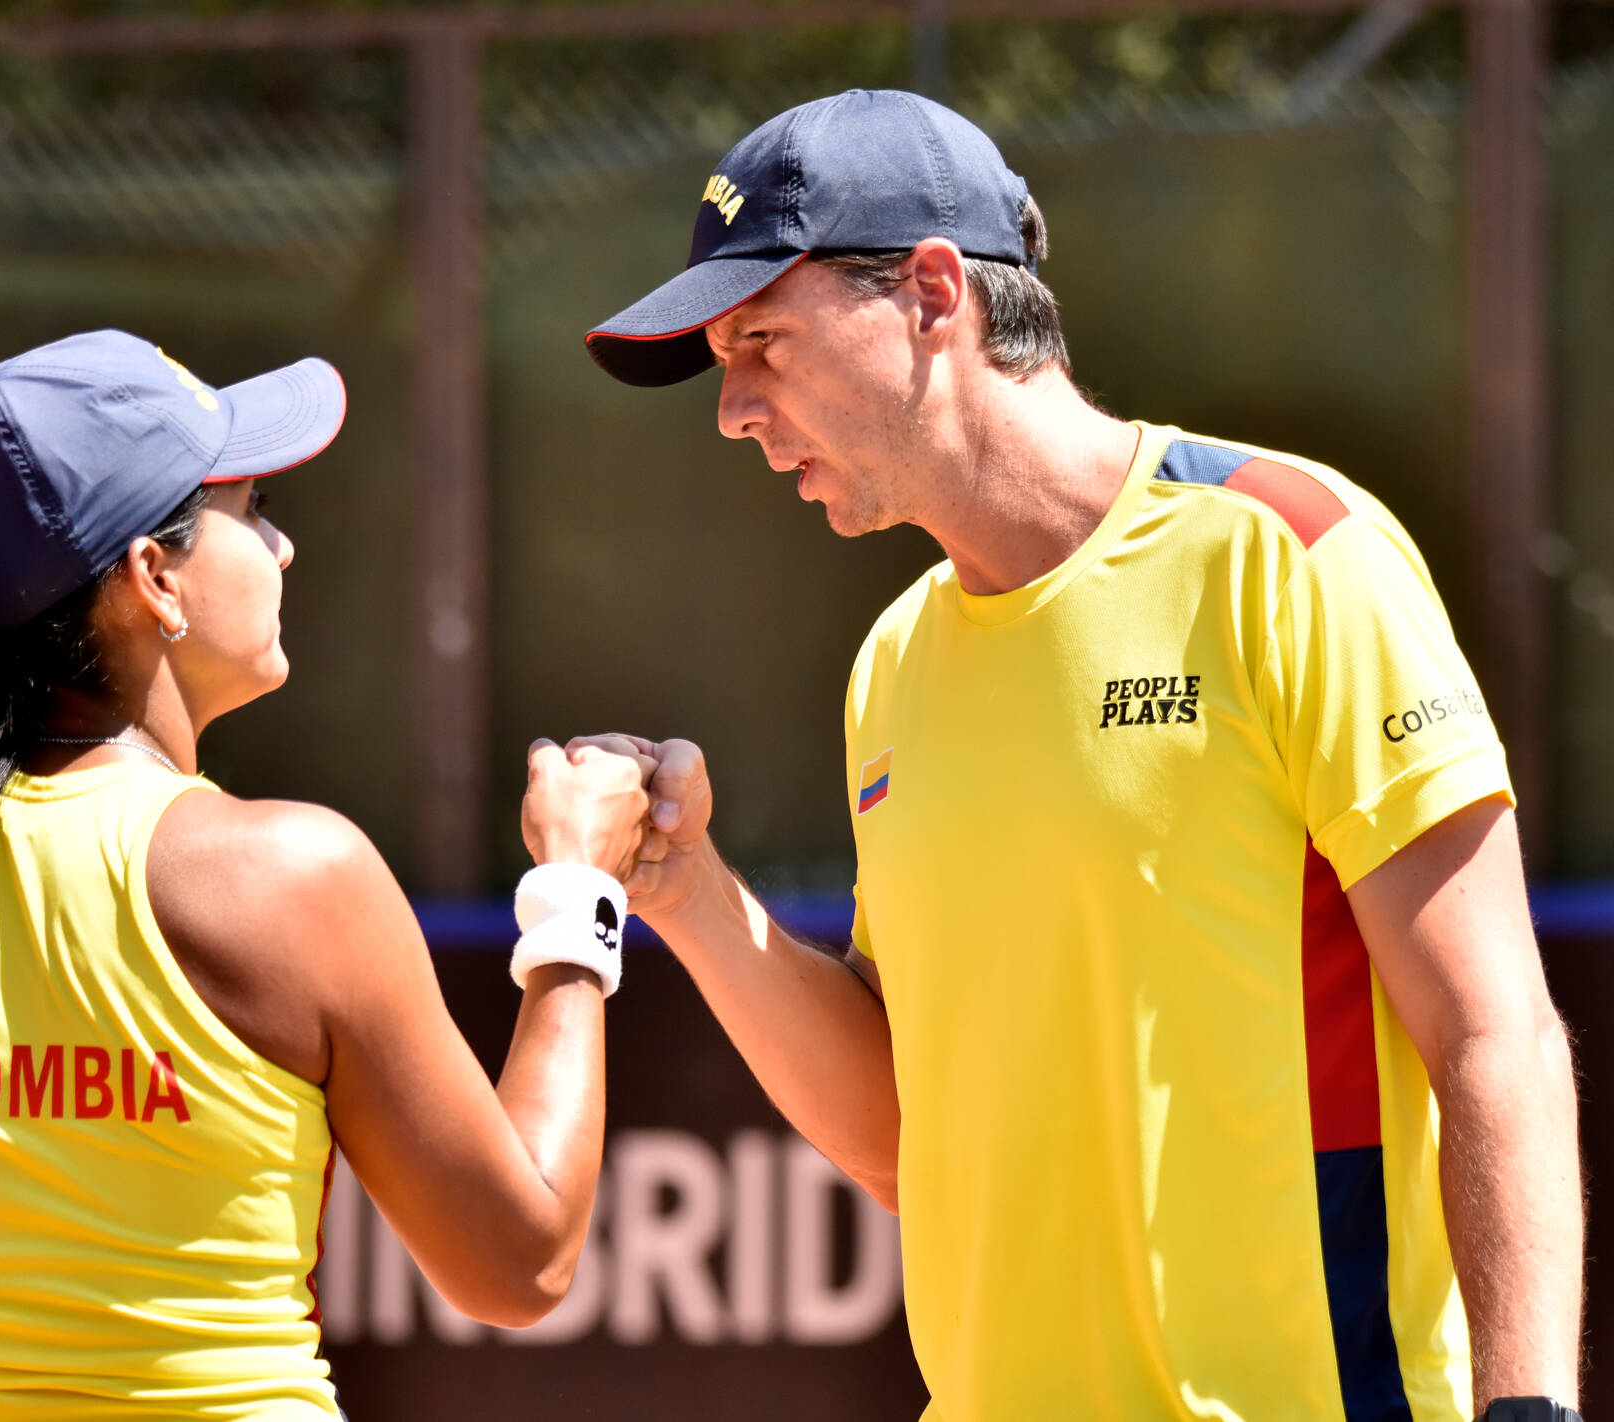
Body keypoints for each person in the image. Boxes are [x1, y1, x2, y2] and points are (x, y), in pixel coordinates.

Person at [578, 90, 1582, 1422]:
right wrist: (689, 888)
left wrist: (1528, 1409)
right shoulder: (893, 663)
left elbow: (1495, 1030)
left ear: (935, 293)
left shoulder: (1289, 552)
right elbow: (903, 1140)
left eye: (761, 340)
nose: (733, 410)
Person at [0, 330, 651, 1420]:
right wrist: (579, 890)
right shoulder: (297, 877)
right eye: (253, 509)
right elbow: (521, 1262)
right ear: (155, 577)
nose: (283, 546)